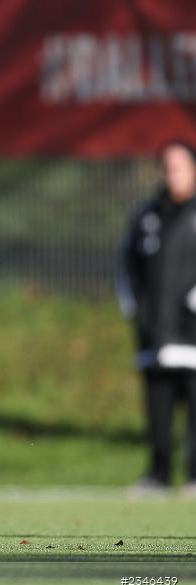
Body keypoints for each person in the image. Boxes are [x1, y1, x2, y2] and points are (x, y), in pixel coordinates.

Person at [118, 140, 196, 494]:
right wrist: (135, 307)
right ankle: (159, 473)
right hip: (154, 330)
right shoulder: (147, 215)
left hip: (192, 332)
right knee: (158, 407)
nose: (172, 174)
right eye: (167, 167)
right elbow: (127, 264)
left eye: (179, 166)